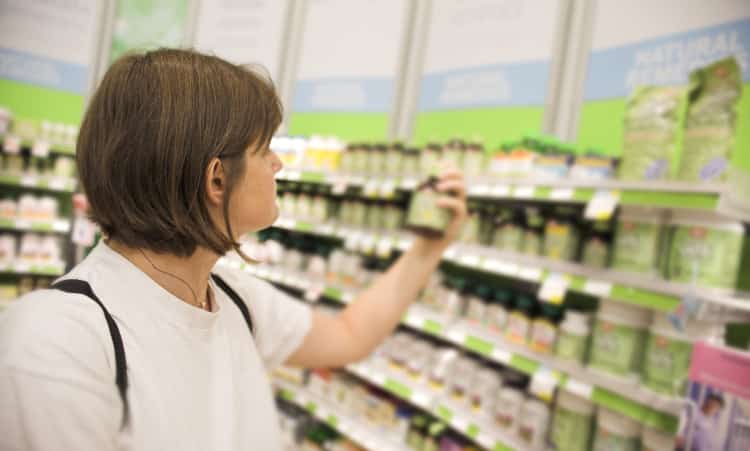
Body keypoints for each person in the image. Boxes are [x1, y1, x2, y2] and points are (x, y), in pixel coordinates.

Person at [0, 49, 467, 450]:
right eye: (266, 149)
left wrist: (428, 250)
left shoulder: (234, 301)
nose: (279, 163)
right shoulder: (58, 341)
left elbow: (348, 336)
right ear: (217, 178)